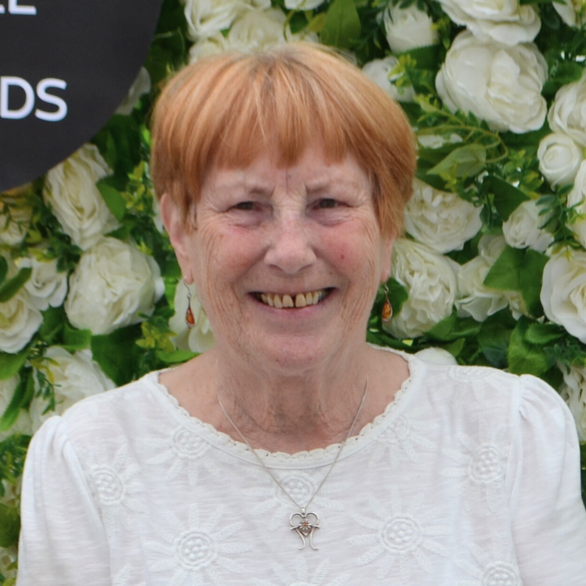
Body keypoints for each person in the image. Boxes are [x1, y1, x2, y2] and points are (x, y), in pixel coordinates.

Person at [17, 43, 586, 585]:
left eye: (329, 204)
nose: (290, 252)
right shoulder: (89, 463)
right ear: (180, 233)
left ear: (387, 227)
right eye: (246, 206)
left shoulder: (510, 436)